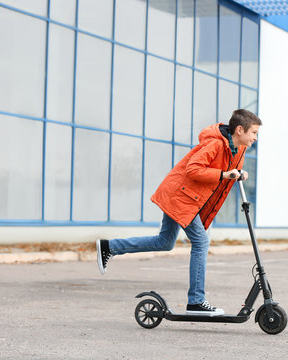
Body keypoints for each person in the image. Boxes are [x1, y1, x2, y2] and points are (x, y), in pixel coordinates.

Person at [96, 109, 262, 316]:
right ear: (239, 130)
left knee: (164, 242)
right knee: (201, 241)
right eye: (253, 133)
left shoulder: (239, 149)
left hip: (187, 198)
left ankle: (109, 247)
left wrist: (238, 174)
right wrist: (223, 174)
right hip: (181, 197)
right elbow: (193, 169)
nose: (255, 137)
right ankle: (196, 302)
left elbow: (225, 175)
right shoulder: (215, 144)